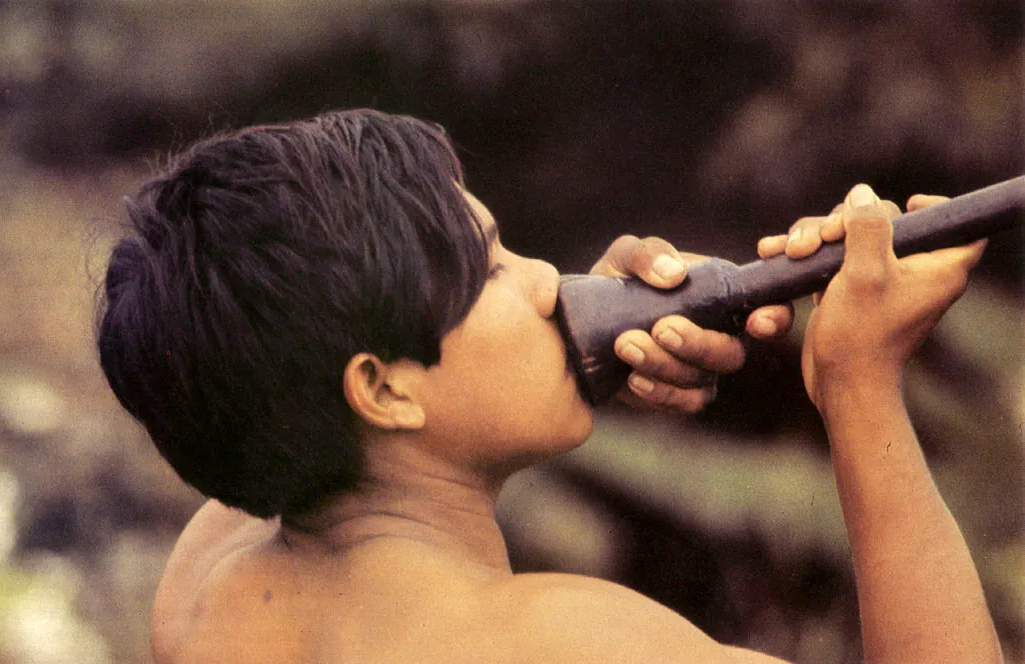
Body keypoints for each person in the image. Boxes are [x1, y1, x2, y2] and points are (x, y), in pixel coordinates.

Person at [96, 109, 1001, 663]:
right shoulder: (572, 644)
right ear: (379, 388)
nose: (544, 282)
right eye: (490, 270)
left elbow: (282, 410)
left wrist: (580, 352)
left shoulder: (204, 595)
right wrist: (861, 385)